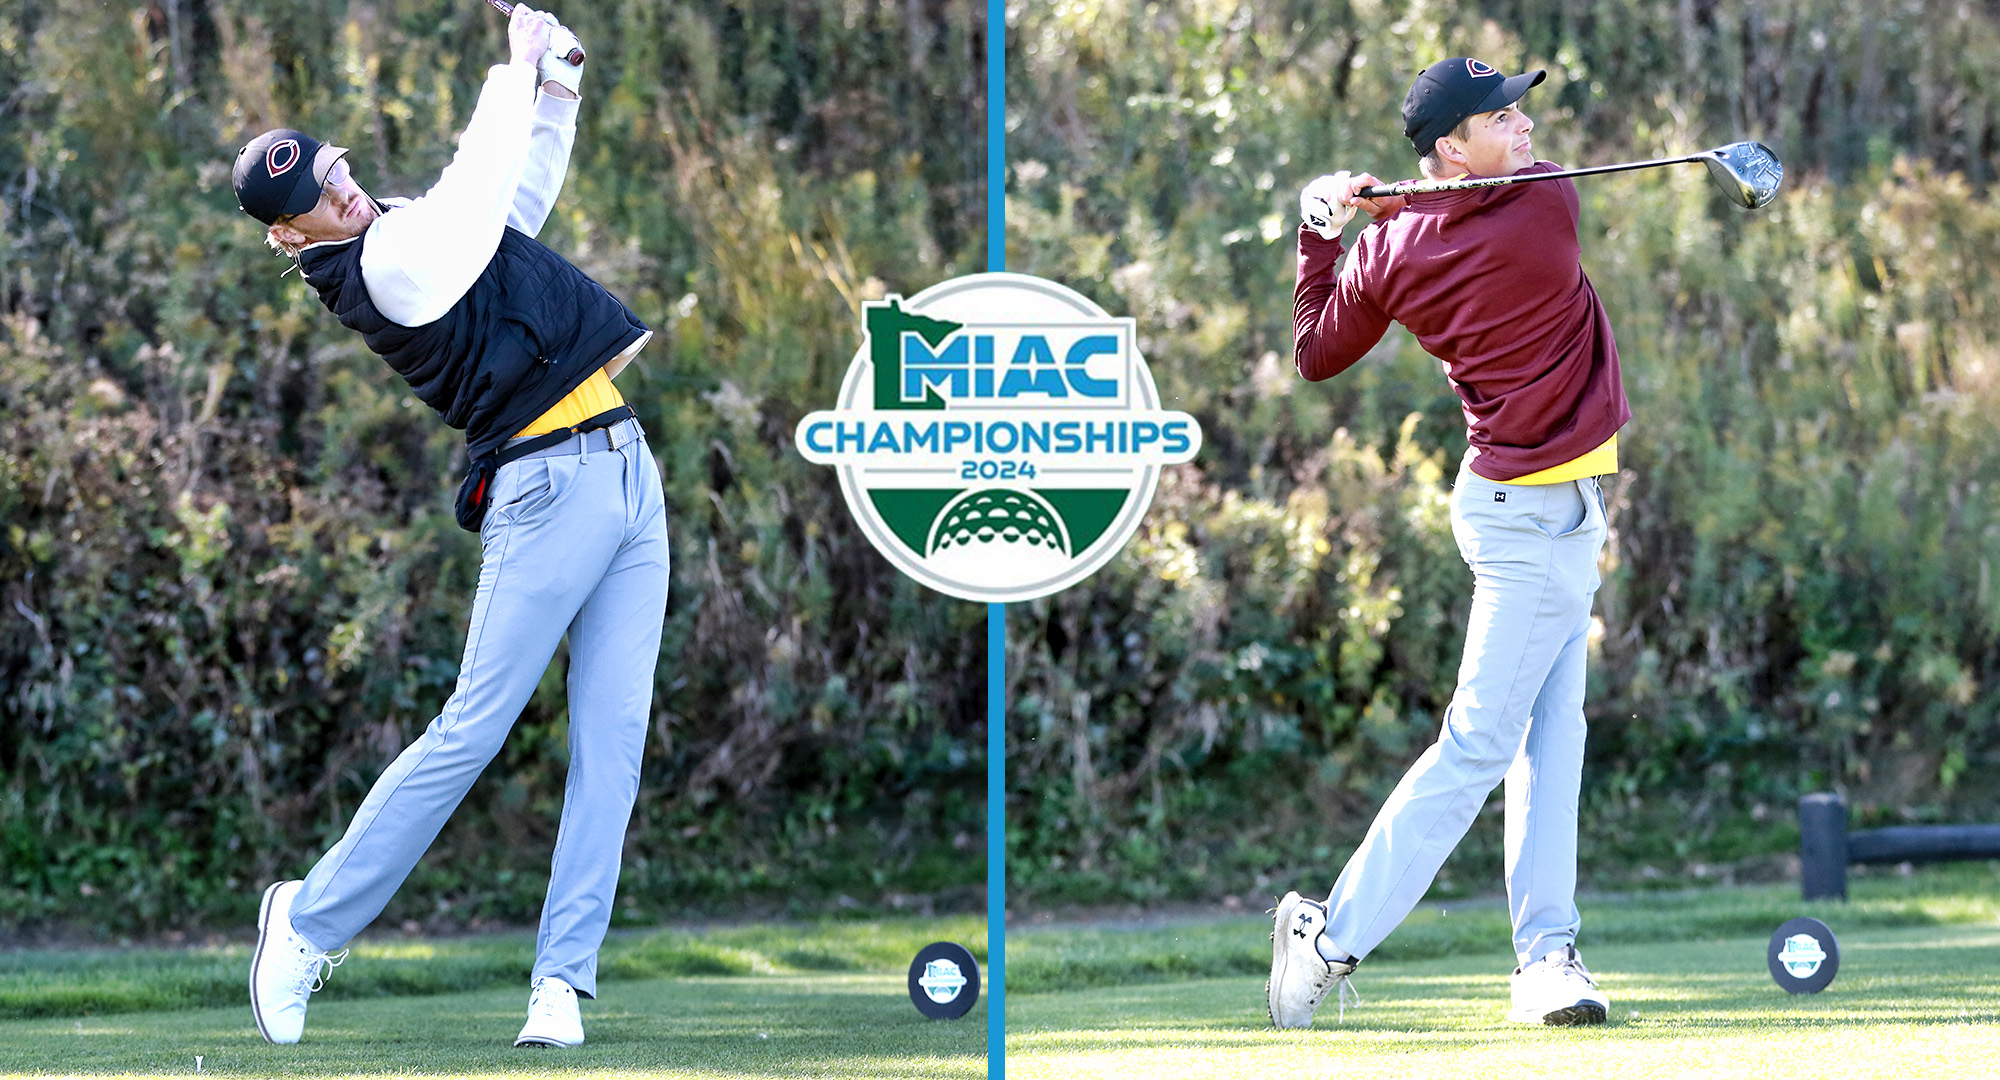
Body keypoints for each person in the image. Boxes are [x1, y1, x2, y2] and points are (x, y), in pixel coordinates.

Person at [230, 4, 667, 1048]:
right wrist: (512, 69)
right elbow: (475, 192)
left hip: (624, 471)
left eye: (334, 167)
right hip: (546, 490)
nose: (340, 187)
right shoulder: (381, 266)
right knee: (473, 726)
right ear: (292, 236)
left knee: (612, 743)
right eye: (315, 198)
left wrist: (552, 94)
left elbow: (510, 202)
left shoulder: (408, 231)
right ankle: (307, 922)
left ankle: (560, 983)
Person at [1268, 57, 1626, 1029]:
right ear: (1448, 149)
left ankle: (1546, 959)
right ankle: (1330, 937)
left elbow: (1313, 351)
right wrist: (1375, 218)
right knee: (1478, 745)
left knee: (1551, 740)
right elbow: (1483, 213)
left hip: (1534, 508)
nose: (1524, 130)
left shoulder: (1394, 249)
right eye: (1497, 118)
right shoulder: (1545, 204)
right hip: (1528, 521)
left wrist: (1320, 232)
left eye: (1518, 111)